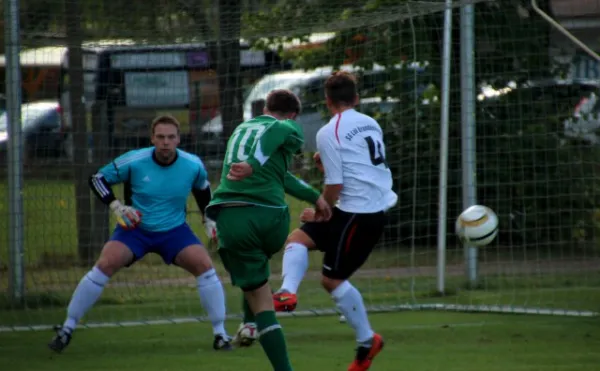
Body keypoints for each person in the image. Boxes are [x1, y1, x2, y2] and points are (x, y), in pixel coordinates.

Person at [48, 115, 231, 353]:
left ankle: (220, 334)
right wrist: (116, 206)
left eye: (171, 137)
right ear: (152, 138)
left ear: (178, 139)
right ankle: (67, 329)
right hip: (135, 230)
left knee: (205, 266)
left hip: (174, 231)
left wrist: (208, 219)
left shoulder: (192, 164)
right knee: (104, 264)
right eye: (161, 137)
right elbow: (97, 179)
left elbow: (203, 188)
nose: (166, 142)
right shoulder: (134, 161)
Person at [272, 71, 398, 371]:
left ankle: (368, 342)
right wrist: (326, 168)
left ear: (327, 102)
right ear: (356, 98)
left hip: (360, 214)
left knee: (332, 280)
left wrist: (319, 209)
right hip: (359, 207)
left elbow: (335, 186)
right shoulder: (371, 122)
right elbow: (359, 166)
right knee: (297, 240)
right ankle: (287, 292)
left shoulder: (330, 131)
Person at [205, 89, 332, 371]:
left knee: (261, 300)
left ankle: (261, 334)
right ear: (294, 113)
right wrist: (316, 196)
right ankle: (249, 324)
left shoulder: (242, 129)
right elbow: (281, 166)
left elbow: (278, 129)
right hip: (273, 219)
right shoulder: (285, 128)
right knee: (258, 276)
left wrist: (251, 163)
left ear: (265, 109)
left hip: (234, 217)